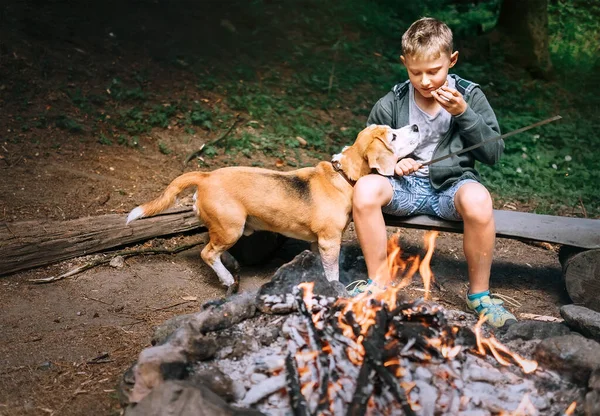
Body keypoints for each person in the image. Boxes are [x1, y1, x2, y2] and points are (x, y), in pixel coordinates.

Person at [349, 17, 517, 328]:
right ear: (405, 64)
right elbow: (367, 154)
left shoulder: (470, 96)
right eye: (416, 73)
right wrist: (393, 164)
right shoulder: (393, 102)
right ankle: (378, 284)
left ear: (452, 61)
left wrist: (463, 113)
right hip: (403, 187)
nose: (425, 81)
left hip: (450, 187)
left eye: (434, 71)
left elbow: (493, 154)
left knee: (479, 200)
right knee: (364, 190)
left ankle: (480, 295)